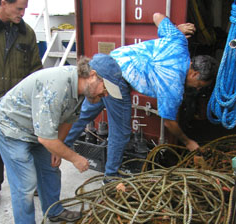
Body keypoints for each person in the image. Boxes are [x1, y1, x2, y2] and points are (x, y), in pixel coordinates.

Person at [64, 13, 218, 184]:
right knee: (121, 132)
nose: (197, 88)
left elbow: (157, 16)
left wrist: (176, 29)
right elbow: (169, 122)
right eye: (200, 84)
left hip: (103, 63)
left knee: (84, 114)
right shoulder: (173, 85)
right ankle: (110, 177)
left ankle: (59, 147)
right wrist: (188, 142)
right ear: (195, 73)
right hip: (116, 78)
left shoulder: (179, 41)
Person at [0, 57, 122, 224]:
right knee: (25, 182)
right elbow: (45, 139)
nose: (105, 95)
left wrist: (58, 146)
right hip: (11, 126)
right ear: (93, 76)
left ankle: (54, 211)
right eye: (106, 89)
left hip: (37, 129)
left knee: (51, 170)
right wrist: (75, 158)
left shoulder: (80, 92)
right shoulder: (56, 87)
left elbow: (68, 120)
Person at [0, 0, 42, 211]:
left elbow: (36, 70)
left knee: (28, 146)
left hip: (19, 106)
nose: (23, 13)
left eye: (25, 7)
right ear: (3, 3)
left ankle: (32, 183)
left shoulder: (26, 32)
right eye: (19, 8)